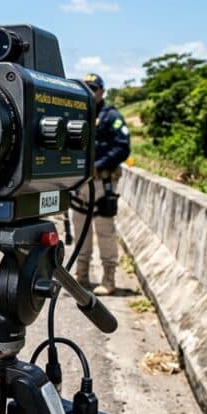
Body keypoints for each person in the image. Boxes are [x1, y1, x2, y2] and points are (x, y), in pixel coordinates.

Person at [69, 73, 130, 296]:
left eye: (93, 88)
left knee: (104, 231)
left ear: (102, 91)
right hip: (80, 184)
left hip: (103, 183)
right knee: (80, 230)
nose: (90, 91)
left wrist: (98, 164)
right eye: (86, 87)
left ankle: (108, 278)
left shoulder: (111, 116)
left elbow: (122, 148)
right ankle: (81, 277)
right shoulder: (78, 114)